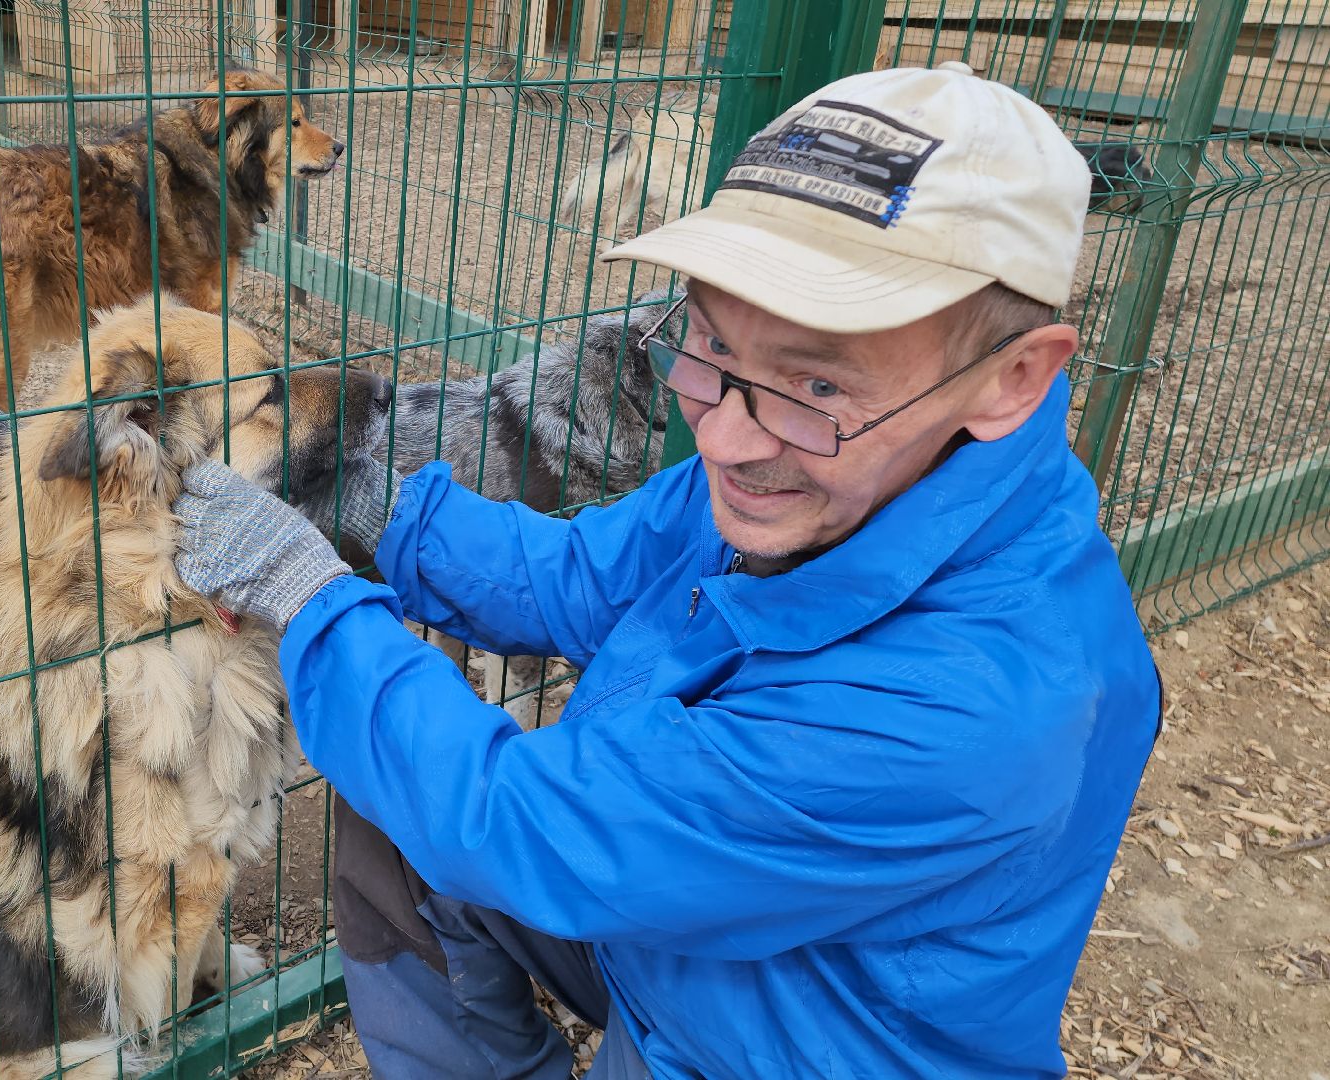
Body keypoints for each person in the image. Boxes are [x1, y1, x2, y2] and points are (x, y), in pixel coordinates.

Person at [171, 61, 1162, 1079]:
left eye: (814, 380)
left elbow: (529, 828)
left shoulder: (964, 706)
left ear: (1012, 379)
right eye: (707, 341)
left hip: (786, 1049)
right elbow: (575, 571)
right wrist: (369, 511)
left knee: (441, 786)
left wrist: (308, 598)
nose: (725, 439)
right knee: (400, 800)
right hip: (687, 930)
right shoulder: (828, 477)